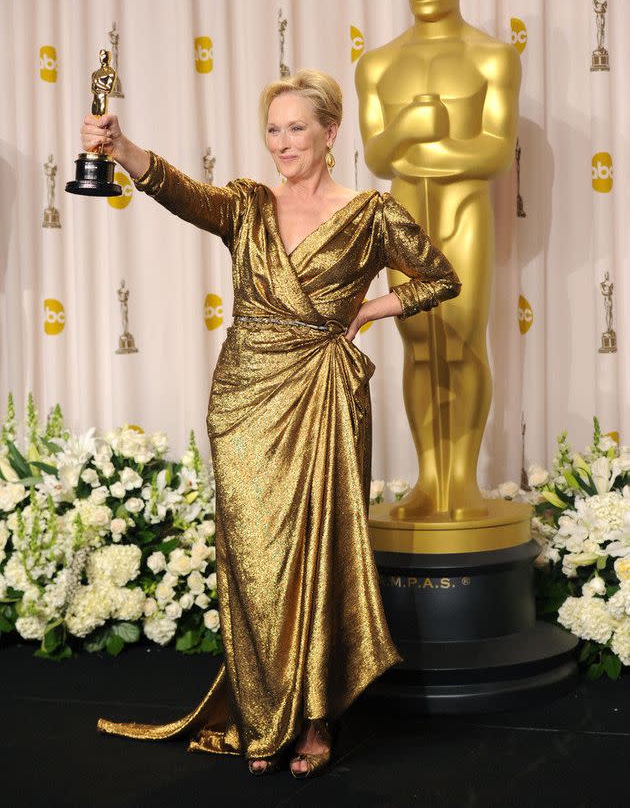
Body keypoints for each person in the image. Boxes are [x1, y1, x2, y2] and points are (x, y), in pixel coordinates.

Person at [87, 69, 461, 778]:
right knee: (257, 562)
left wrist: (364, 312)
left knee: (319, 552)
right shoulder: (247, 205)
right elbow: (178, 190)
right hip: (245, 397)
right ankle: (265, 715)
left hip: (321, 392)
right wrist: (122, 147)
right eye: (273, 129)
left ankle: (317, 719)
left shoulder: (371, 213)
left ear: (330, 132)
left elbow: (440, 277)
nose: (282, 142)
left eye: (296, 128)